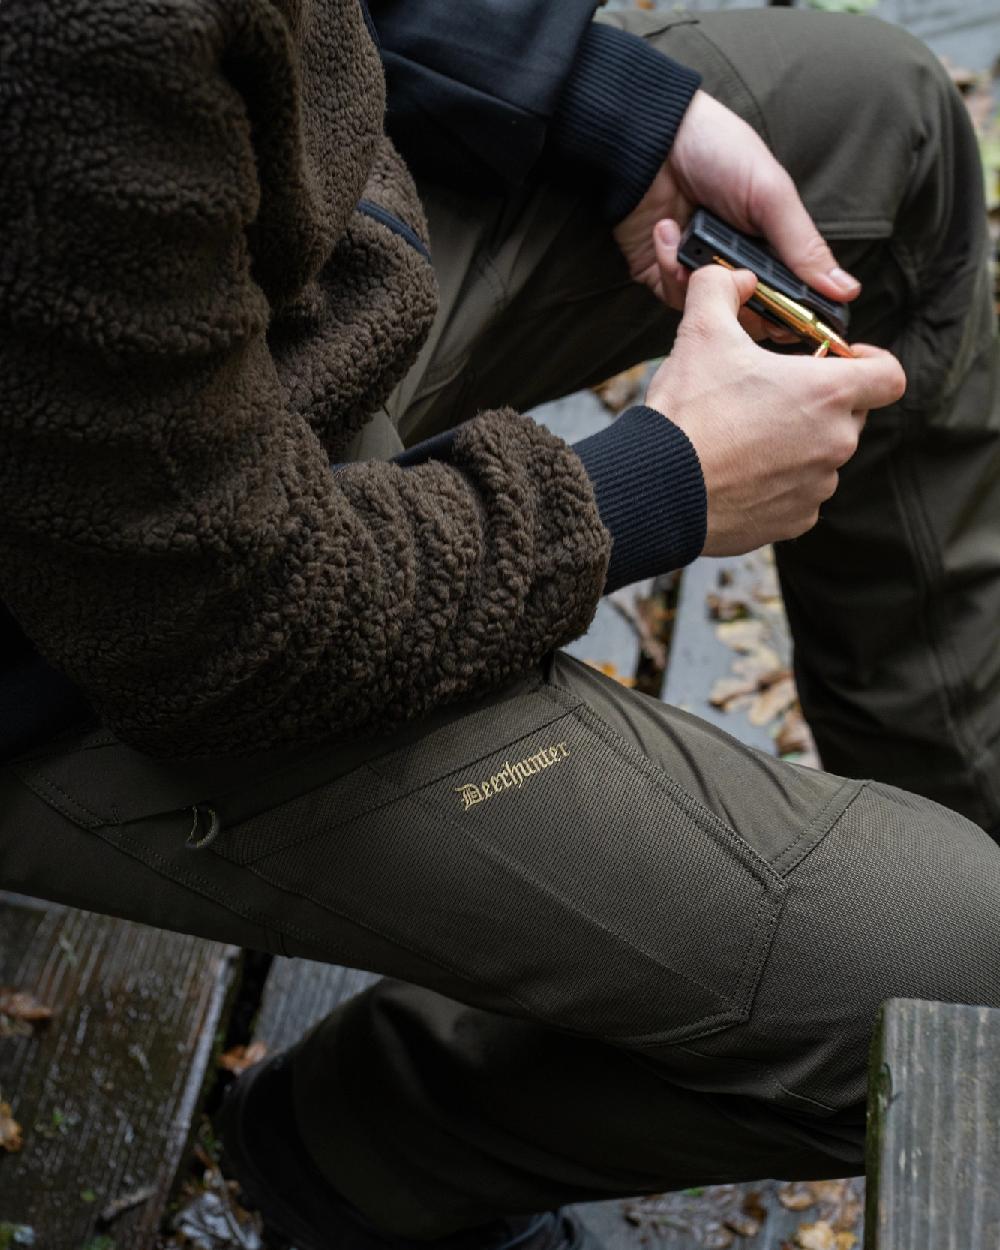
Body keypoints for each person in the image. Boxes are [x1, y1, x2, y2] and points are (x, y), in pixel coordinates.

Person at [0, 1, 998, 1247]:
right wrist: (658, 483)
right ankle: (359, 1152)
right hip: (115, 632)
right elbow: (212, 620)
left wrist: (596, 97)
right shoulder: (70, 52)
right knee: (956, 990)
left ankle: (966, 801)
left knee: (881, 124)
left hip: (267, 314)